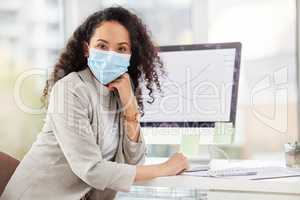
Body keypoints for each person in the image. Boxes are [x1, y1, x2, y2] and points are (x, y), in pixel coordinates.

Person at [1, 7, 189, 200]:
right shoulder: (70, 90)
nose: (111, 55)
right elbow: (91, 170)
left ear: (131, 55)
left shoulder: (119, 92)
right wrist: (165, 168)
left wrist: (130, 109)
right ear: (86, 49)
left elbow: (134, 162)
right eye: (102, 46)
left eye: (121, 49)